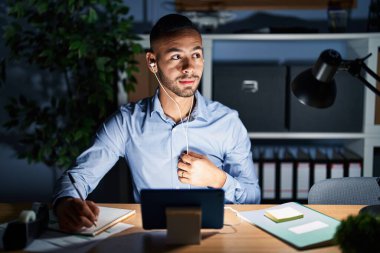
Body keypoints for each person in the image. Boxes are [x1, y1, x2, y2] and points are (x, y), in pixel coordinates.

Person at [52, 13, 260, 232]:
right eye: (176, 57)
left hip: (214, 237)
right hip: (151, 237)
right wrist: (65, 203)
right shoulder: (127, 122)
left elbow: (253, 197)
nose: (189, 67)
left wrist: (219, 179)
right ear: (152, 62)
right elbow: (78, 177)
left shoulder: (228, 122)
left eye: (196, 55)